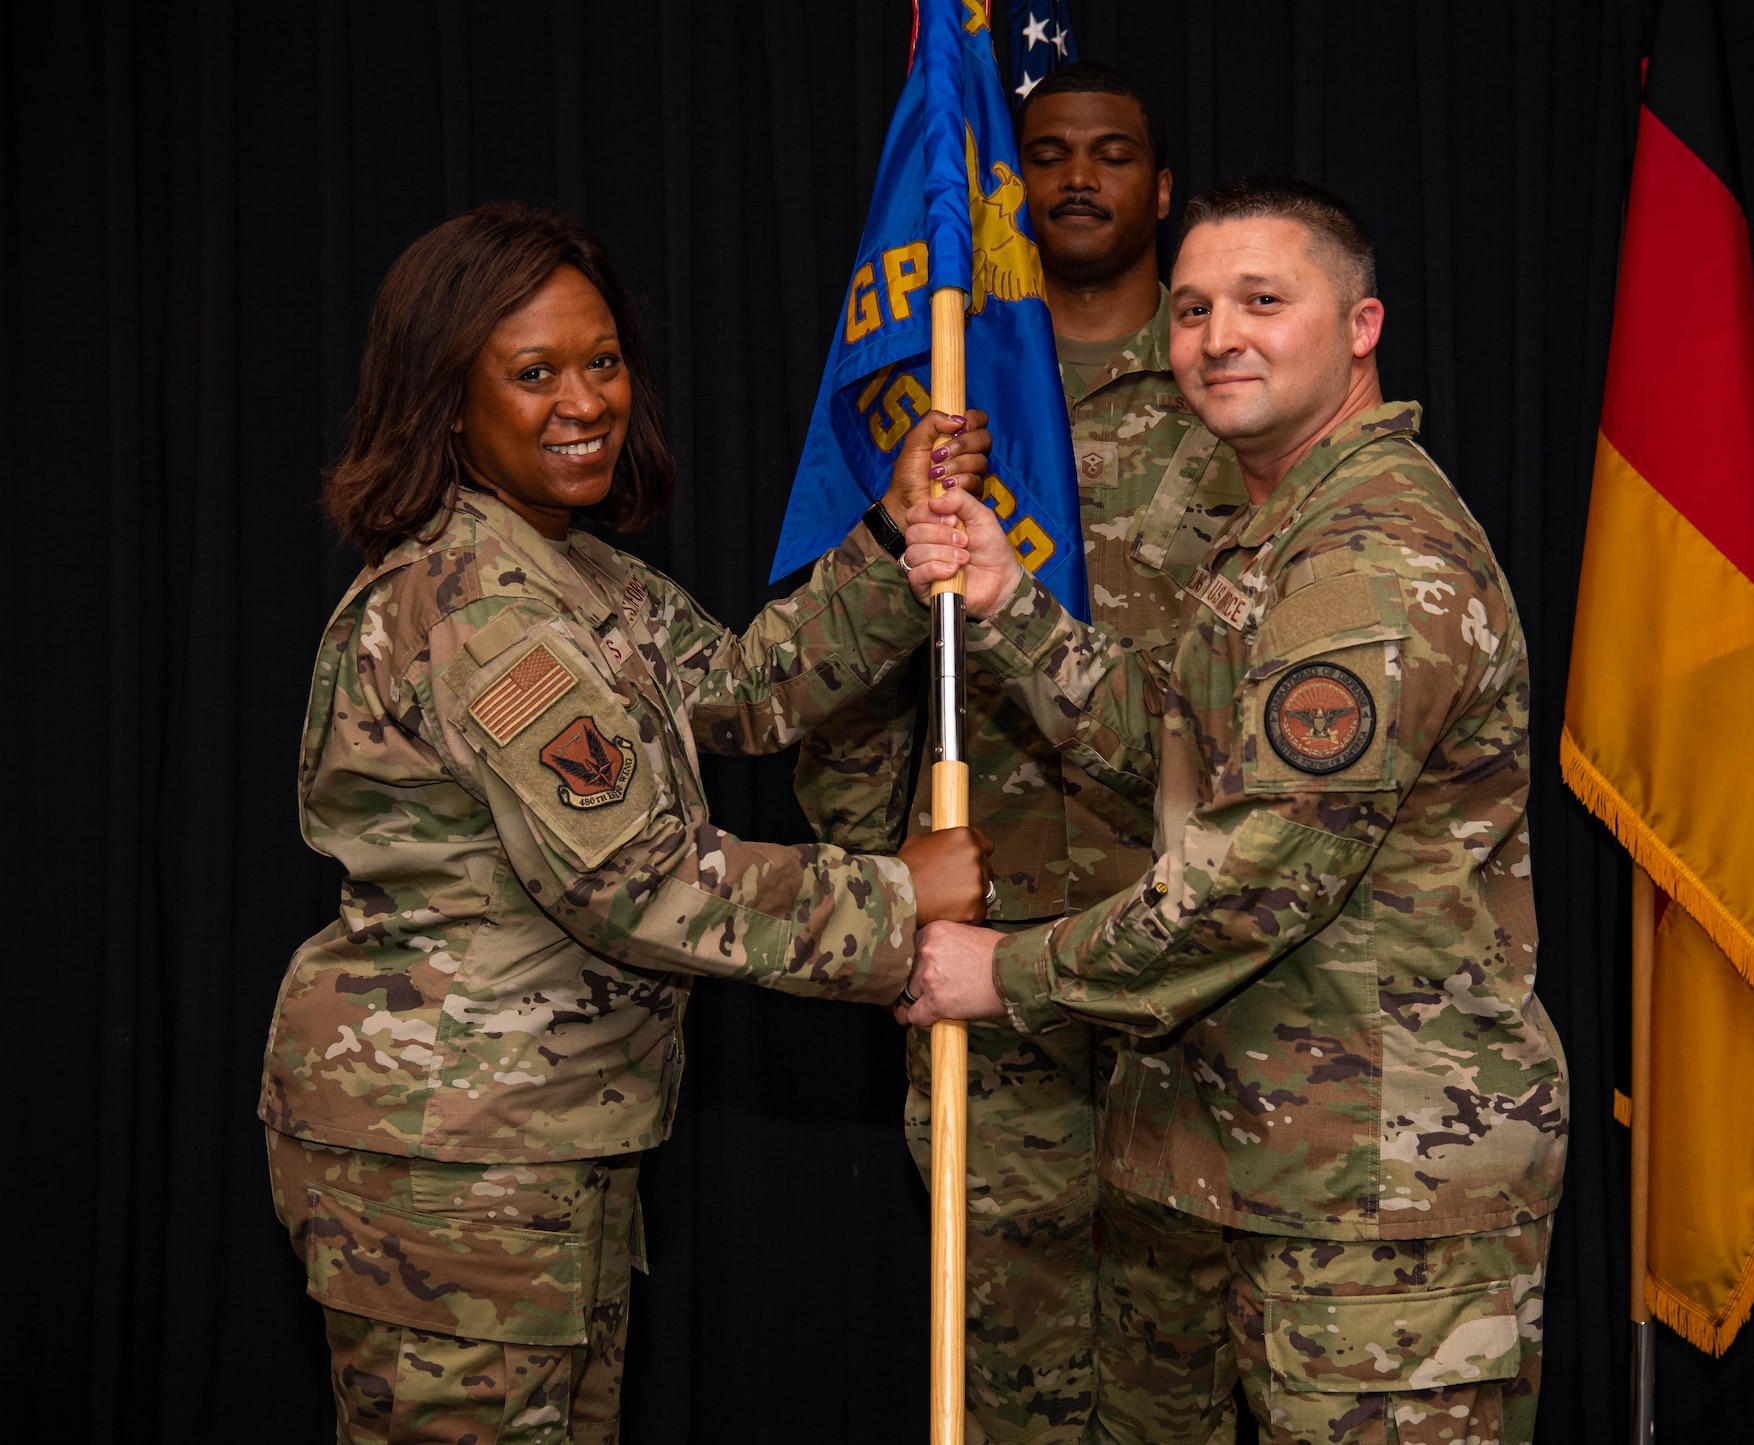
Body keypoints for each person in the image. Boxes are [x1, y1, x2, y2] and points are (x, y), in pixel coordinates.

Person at [258, 202, 992, 1445]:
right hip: (457, 1161)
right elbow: (639, 884)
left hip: (536, 1138)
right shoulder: (484, 607)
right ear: (448, 398)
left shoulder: (576, 572)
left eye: (600, 361)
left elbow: (745, 692)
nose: (584, 400)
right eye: (532, 373)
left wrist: (889, 531)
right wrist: (894, 893)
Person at [895, 177, 1568, 1445]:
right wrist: (1009, 605)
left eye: (1265, 300)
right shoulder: (1286, 527)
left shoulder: (1372, 558)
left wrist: (1008, 971)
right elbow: (1180, 754)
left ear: (1359, 326)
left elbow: (1253, 872)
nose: (1218, 336)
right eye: (1194, 307)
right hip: (1298, 1167)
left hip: (1383, 1192)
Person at [793, 64, 1246, 1444]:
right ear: (1011, 186)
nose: (1077, 180)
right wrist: (886, 897)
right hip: (996, 970)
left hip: (1191, 979)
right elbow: (860, 685)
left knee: (1183, 1380)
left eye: (1113, 155)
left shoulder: (1233, 414)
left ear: (1162, 190)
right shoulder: (955, 411)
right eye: (1045, 154)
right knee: (1005, 1382)